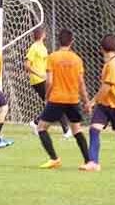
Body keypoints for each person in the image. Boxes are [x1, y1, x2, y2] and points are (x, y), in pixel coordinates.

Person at [36, 29, 92, 169]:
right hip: (73, 99)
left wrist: (47, 96)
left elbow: (49, 81)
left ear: (58, 41)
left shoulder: (52, 57)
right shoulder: (77, 59)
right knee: (77, 130)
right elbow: (81, 83)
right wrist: (86, 102)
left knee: (41, 128)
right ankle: (88, 161)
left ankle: (54, 159)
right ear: (71, 42)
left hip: (57, 98)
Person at [81, 34, 115, 172]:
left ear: (101, 48)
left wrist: (92, 102)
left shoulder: (114, 64)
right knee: (94, 129)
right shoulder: (109, 63)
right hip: (105, 105)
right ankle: (93, 162)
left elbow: (107, 87)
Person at [26, 28, 72, 138]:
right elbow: (27, 65)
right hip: (38, 80)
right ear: (42, 35)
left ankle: (36, 122)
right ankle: (66, 130)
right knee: (56, 102)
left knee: (53, 104)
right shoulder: (34, 47)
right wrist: (39, 74)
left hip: (44, 79)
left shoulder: (43, 47)